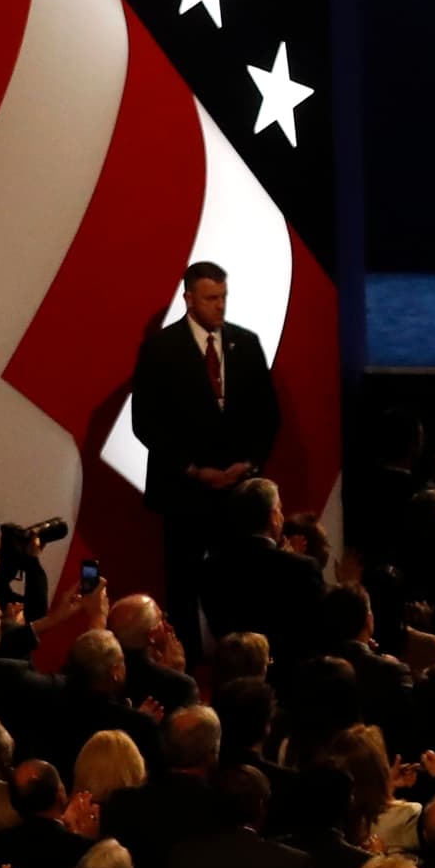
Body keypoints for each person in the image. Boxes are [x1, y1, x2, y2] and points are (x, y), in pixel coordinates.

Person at [127, 261, 281, 626]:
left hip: (238, 494)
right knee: (183, 588)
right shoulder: (160, 349)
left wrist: (250, 465)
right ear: (189, 299)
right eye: (212, 298)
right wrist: (193, 470)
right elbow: (145, 422)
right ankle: (186, 666)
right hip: (184, 494)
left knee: (241, 588)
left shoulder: (245, 343)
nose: (220, 306)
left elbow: (268, 414)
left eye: (224, 297)